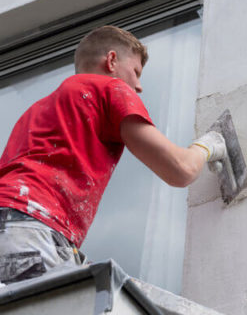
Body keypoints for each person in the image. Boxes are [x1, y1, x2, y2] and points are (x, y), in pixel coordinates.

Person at [0, 25, 225, 285]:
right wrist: (208, 145)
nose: (138, 86)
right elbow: (180, 169)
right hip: (30, 227)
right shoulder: (108, 88)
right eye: (136, 73)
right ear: (111, 61)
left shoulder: (36, 111)